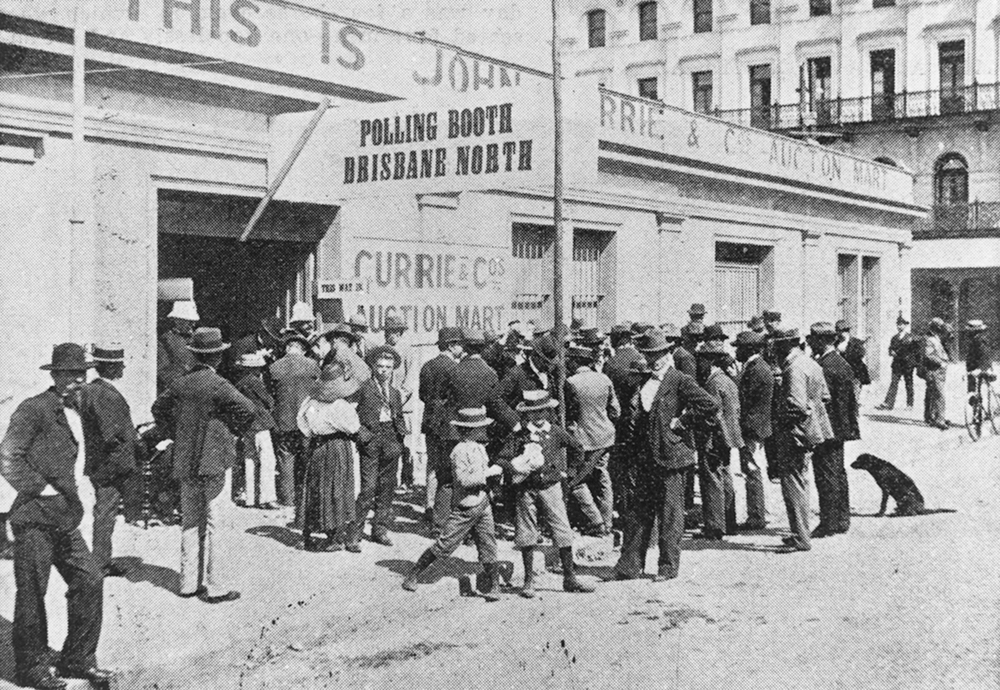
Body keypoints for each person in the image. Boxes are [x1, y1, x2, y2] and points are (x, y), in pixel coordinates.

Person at [0, 343, 110, 690]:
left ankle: (77, 660)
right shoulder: (34, 409)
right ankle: (31, 668)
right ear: (56, 376)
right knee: (32, 591)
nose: (78, 381)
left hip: (65, 519)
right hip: (34, 518)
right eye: (70, 375)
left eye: (82, 375)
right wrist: (41, 488)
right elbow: (7, 457)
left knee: (90, 579)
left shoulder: (82, 411)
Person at [151, 327, 256, 603]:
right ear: (218, 358)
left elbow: (158, 409)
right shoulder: (218, 384)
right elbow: (248, 409)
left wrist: (176, 431)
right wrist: (229, 429)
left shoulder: (180, 383)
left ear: (196, 355)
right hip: (214, 460)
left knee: (190, 521)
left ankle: (188, 582)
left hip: (185, 459)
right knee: (214, 523)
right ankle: (215, 585)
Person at [610, 327, 718, 583]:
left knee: (670, 514)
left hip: (670, 457)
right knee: (638, 512)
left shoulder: (679, 380)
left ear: (667, 353)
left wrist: (682, 422)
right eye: (648, 354)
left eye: (658, 354)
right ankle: (629, 566)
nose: (653, 359)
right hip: (646, 458)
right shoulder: (642, 380)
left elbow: (710, 405)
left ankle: (667, 567)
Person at [497, 389, 595, 597]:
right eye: (534, 413)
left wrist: (568, 473)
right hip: (527, 489)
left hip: (551, 487)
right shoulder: (520, 435)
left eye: (543, 411)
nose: (539, 416)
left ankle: (569, 578)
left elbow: (577, 448)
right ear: (527, 414)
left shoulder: (557, 432)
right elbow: (502, 458)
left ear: (549, 412)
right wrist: (515, 468)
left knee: (561, 528)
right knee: (526, 531)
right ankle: (528, 580)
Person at [402, 407, 505, 600]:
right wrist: (487, 474)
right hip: (465, 508)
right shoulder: (459, 451)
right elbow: (464, 480)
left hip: (482, 504)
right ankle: (413, 574)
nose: (484, 431)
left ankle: (494, 585)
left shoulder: (480, 448)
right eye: (481, 428)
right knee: (445, 544)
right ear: (471, 430)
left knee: (488, 544)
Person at [770, 329, 834, 553]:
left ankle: (800, 537)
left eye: (775, 345)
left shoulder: (793, 368)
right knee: (801, 483)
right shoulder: (811, 363)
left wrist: (779, 415)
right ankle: (801, 533)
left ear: (784, 345)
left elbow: (796, 405)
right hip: (809, 433)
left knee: (793, 485)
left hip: (794, 435)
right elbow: (825, 397)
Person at [80, 344, 138, 577]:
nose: (123, 366)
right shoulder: (106, 394)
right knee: (106, 511)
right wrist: (133, 443)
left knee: (106, 511)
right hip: (110, 464)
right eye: (120, 363)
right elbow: (111, 435)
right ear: (111, 367)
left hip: (101, 462)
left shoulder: (91, 390)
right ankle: (100, 563)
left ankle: (102, 559)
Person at [297, 363, 362, 552]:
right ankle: (336, 536)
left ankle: (312, 533)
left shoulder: (310, 401)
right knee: (337, 487)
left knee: (316, 486)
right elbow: (353, 427)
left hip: (317, 446)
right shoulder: (340, 405)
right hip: (337, 446)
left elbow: (303, 425)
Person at [349, 346, 407, 548]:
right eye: (380, 366)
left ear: (393, 370)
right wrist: (361, 433)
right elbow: (348, 412)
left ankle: (379, 530)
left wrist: (400, 442)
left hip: (391, 439)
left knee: (387, 488)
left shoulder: (395, 393)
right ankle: (354, 534)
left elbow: (398, 417)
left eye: (388, 367)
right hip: (371, 441)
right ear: (373, 367)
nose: (384, 370)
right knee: (368, 488)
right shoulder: (364, 388)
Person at [807, 322, 858, 538]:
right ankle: (841, 519)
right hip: (841, 427)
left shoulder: (824, 367)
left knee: (825, 474)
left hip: (827, 429)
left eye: (813, 340)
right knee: (838, 473)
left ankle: (827, 522)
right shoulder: (841, 362)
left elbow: (822, 402)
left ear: (821, 341)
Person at [564, 344, 620, 536]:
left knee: (576, 480)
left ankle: (596, 522)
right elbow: (615, 411)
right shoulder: (604, 379)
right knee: (602, 477)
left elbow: (569, 414)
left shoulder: (571, 382)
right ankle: (607, 522)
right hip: (605, 437)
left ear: (575, 361)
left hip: (584, 439)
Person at [695, 335, 742, 538]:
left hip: (713, 438)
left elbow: (712, 414)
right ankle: (728, 522)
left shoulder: (713, 383)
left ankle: (714, 527)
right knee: (724, 477)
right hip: (727, 437)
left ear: (710, 360)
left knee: (711, 479)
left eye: (703, 359)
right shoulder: (727, 380)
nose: (699, 363)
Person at [269, 334, 321, 510]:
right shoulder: (312, 366)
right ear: (303, 349)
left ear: (286, 348)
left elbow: (272, 394)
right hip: (306, 419)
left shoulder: (275, 367)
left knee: (286, 458)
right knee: (307, 457)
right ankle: (306, 497)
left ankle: (287, 499)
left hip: (283, 420)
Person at [419, 327, 462, 533]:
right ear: (451, 346)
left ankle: (428, 505)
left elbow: (421, 395)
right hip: (447, 422)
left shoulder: (427, 366)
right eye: (459, 344)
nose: (461, 348)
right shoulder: (455, 368)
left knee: (432, 463)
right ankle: (442, 510)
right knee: (446, 468)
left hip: (429, 420)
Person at [734, 331, 772, 531]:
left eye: (738, 347)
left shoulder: (756, 370)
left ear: (748, 349)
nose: (736, 351)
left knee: (752, 469)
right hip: (755, 427)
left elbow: (746, 400)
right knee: (752, 469)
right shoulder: (756, 367)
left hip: (752, 428)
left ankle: (756, 516)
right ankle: (757, 513)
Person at [232, 352, 279, 509]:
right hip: (260, 424)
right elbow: (269, 400)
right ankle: (267, 497)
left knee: (250, 459)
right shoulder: (254, 382)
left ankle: (250, 498)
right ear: (255, 368)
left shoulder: (240, 383)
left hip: (247, 426)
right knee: (267, 460)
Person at [381, 315, 416, 491]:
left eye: (394, 332)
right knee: (389, 443)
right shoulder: (383, 351)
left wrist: (398, 400)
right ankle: (390, 480)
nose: (390, 335)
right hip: (387, 405)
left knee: (407, 445)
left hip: (404, 407)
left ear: (400, 332)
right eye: (387, 332)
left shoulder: (408, 350)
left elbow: (409, 382)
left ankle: (407, 479)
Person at [157, 299, 199, 393]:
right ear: (176, 320)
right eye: (188, 321)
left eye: (193, 321)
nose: (192, 324)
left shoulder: (198, 339)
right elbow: (164, 371)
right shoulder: (164, 341)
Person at [877, 314, 916, 410]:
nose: (899, 326)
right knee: (894, 383)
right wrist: (891, 352)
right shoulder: (894, 338)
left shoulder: (910, 338)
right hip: (897, 364)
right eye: (898, 324)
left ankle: (910, 404)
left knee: (909, 384)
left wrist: (911, 361)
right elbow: (890, 348)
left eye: (901, 324)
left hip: (907, 364)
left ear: (905, 325)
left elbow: (914, 351)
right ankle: (889, 404)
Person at [923, 318, 950, 430]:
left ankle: (930, 417)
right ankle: (940, 419)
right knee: (939, 395)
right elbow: (928, 355)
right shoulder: (930, 339)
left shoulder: (935, 338)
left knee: (932, 394)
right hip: (934, 370)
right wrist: (941, 362)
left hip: (938, 371)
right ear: (936, 328)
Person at [835, 320, 871, 401]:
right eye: (838, 331)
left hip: (855, 371)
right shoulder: (836, 343)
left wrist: (846, 357)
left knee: (854, 395)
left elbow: (861, 354)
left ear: (847, 331)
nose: (840, 334)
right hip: (841, 372)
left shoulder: (855, 342)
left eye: (843, 331)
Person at [965, 319, 992, 398]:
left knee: (980, 394)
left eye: (969, 331)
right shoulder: (974, 340)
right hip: (973, 371)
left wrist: (980, 369)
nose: (968, 333)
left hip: (981, 370)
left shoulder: (980, 340)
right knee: (973, 395)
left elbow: (985, 356)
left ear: (975, 331)